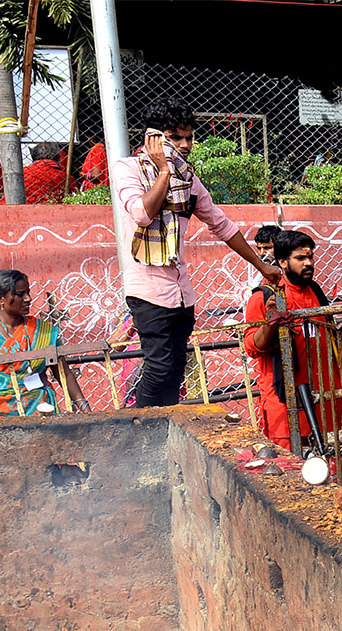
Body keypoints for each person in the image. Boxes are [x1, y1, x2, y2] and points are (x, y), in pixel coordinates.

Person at [111, 97, 280, 407]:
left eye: (189, 136)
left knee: (175, 371)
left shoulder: (187, 178)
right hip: (148, 292)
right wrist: (163, 171)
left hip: (181, 293)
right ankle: (141, 428)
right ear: (154, 137)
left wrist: (261, 265)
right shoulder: (128, 169)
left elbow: (221, 224)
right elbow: (142, 214)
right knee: (159, 369)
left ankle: (166, 431)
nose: (186, 144)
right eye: (176, 137)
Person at [243, 230, 334, 451]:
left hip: (320, 394)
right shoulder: (264, 297)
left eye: (310, 257)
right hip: (284, 399)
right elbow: (252, 346)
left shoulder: (315, 291)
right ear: (282, 262)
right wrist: (270, 323)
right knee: (288, 465)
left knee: (323, 461)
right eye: (301, 258)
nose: (309, 263)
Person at [0, 269, 88, 416]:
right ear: (0, 299)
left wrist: (86, 410)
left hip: (41, 413)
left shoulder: (42, 331)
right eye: (20, 294)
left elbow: (64, 374)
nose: (28, 298)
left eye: (28, 292)